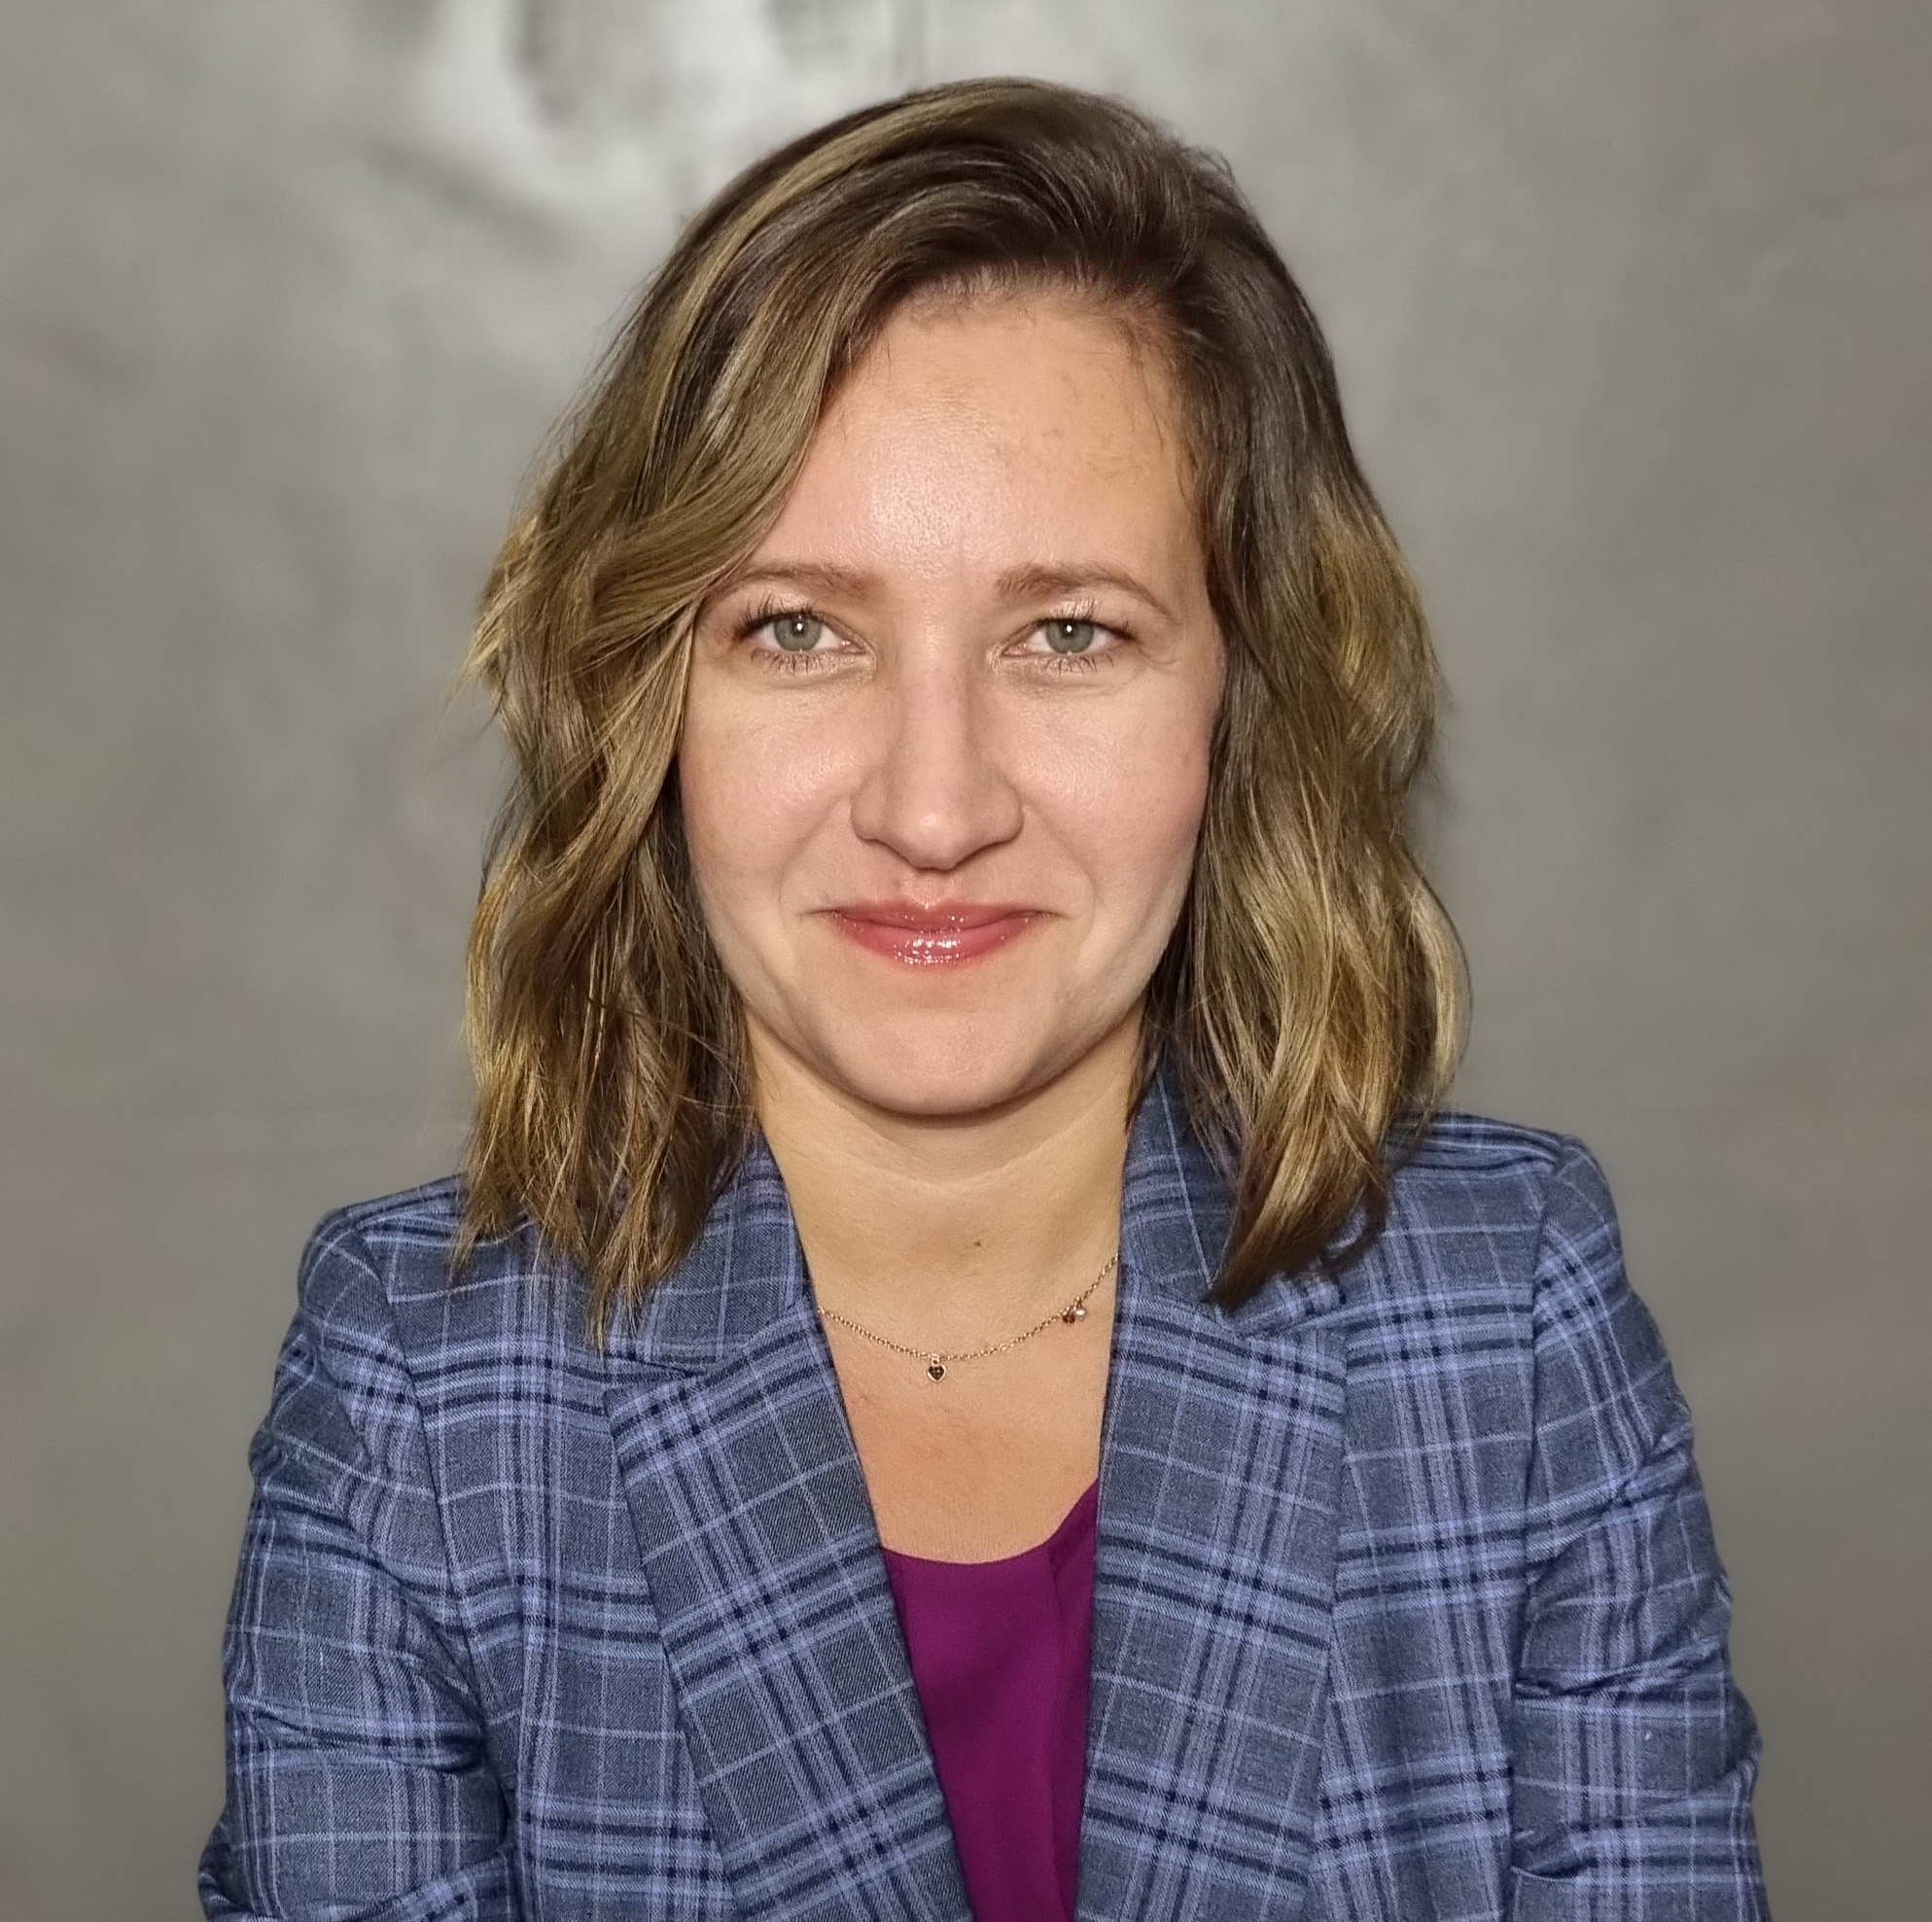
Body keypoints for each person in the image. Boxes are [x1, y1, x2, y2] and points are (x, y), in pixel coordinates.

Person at [200, 78, 1768, 1922]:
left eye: (1069, 632)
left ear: (1240, 696)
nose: (934, 808)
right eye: (798, 629)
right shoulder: (422, 1392)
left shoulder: (1509, 1322)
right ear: (650, 705)